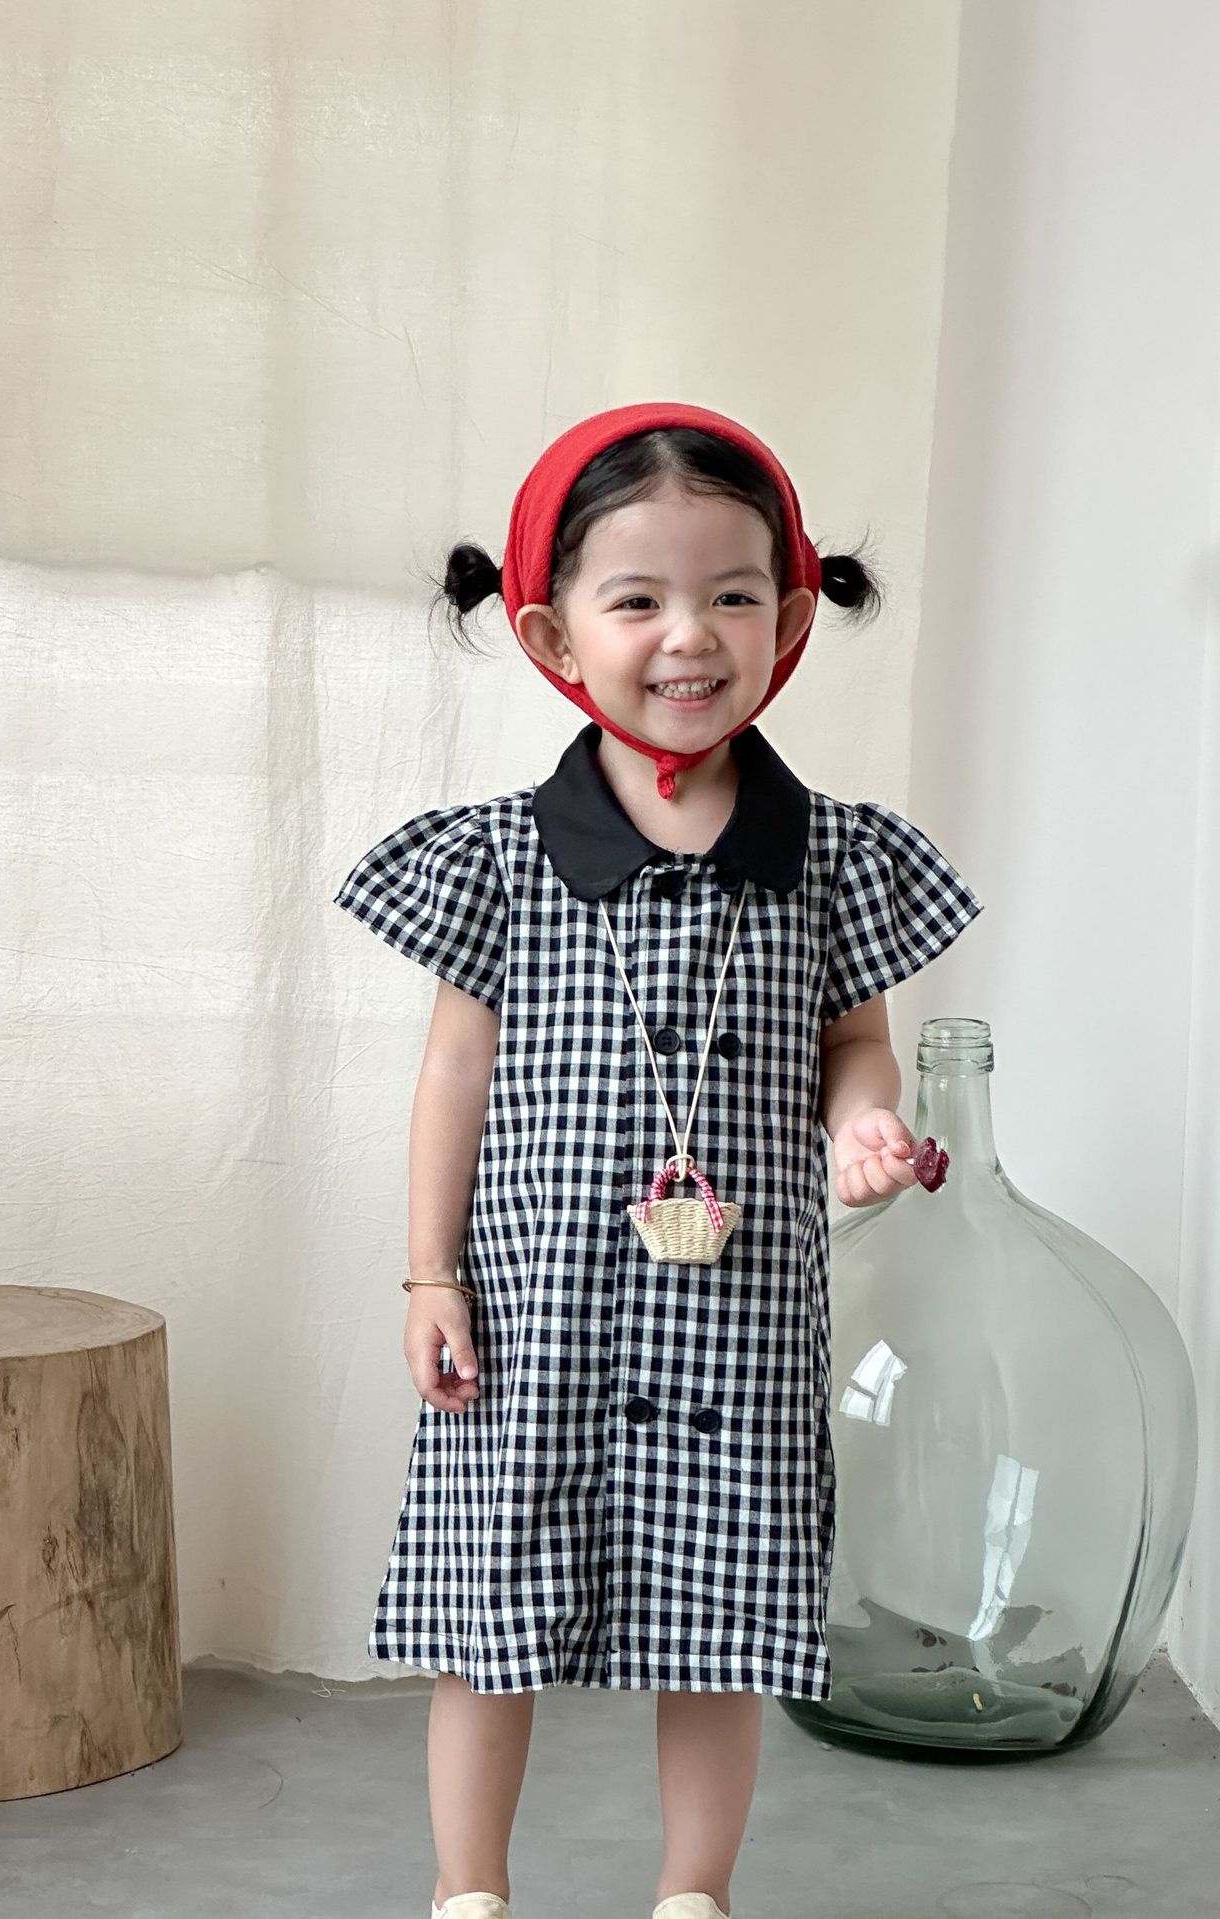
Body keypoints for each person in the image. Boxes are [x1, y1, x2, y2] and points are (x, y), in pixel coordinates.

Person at [331, 402, 985, 1919]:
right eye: (638, 600)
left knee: (725, 1629)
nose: (689, 637)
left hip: (739, 1320)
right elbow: (453, 1072)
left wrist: (863, 1121)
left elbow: (854, 1042)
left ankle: (695, 1894)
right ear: (555, 634)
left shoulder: (835, 856)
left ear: (792, 618)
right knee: (488, 1619)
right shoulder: (496, 855)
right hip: (535, 1316)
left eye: (732, 595)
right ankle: (470, 1890)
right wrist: (428, 1274)